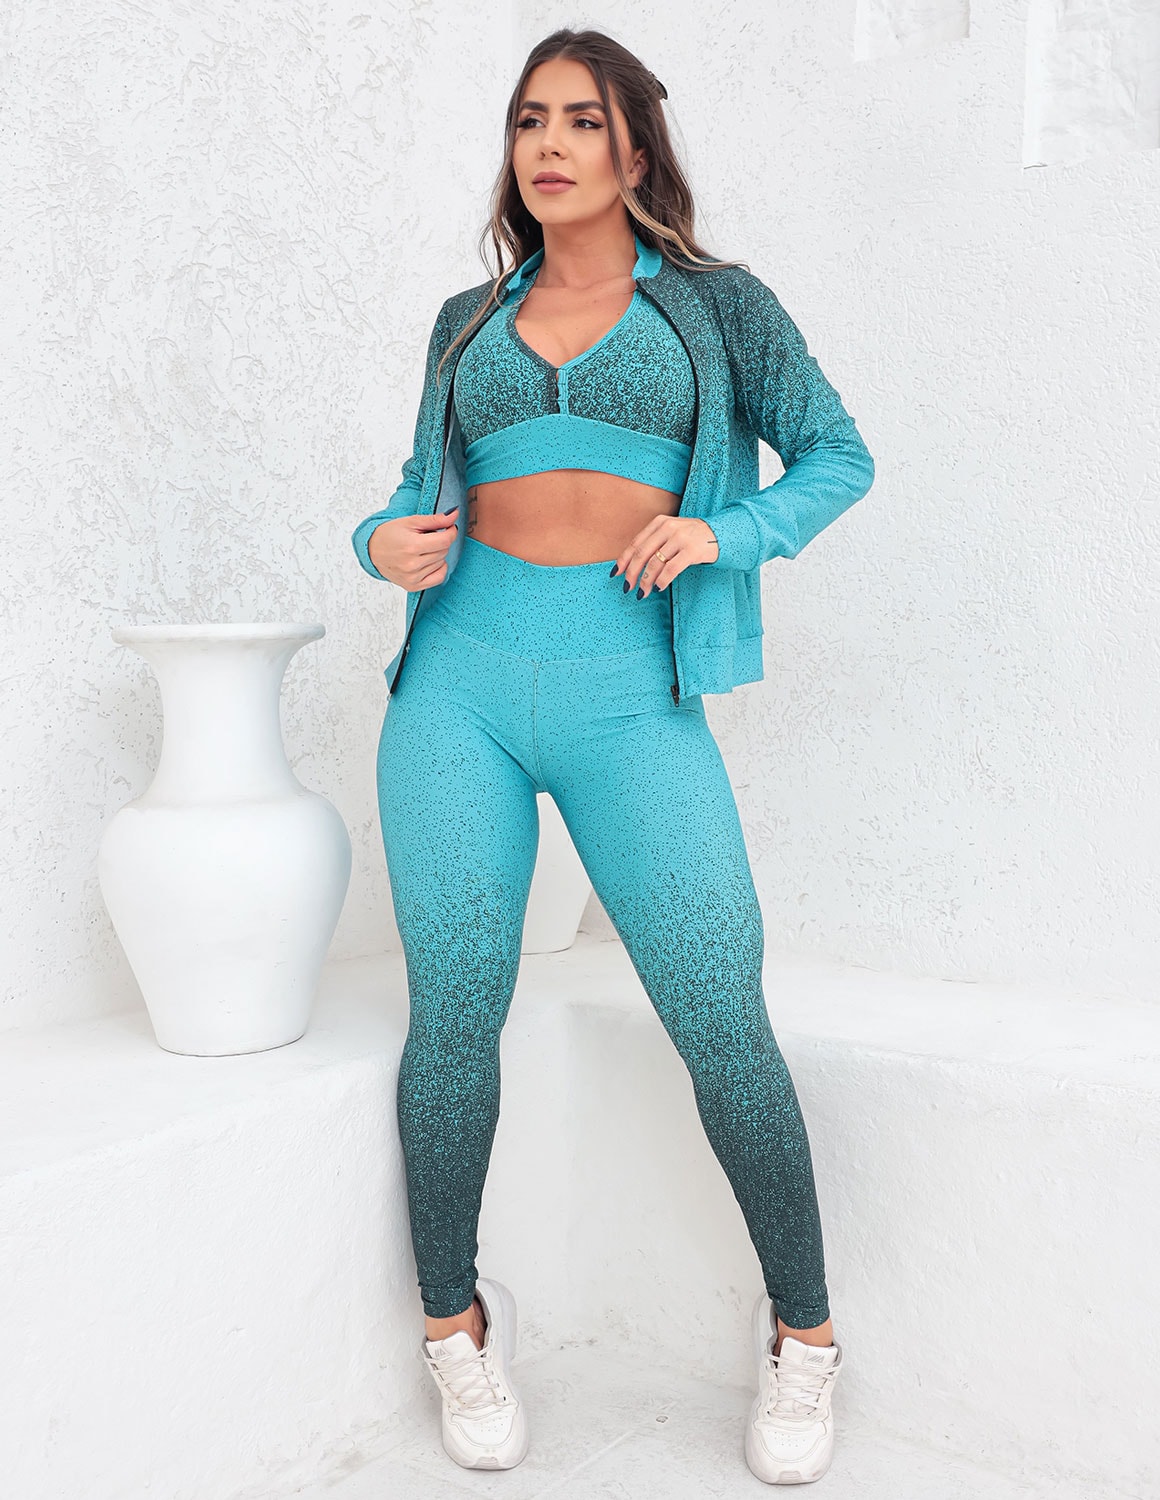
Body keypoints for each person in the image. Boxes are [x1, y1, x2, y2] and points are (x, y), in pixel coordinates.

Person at [350, 26, 875, 1487]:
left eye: (583, 119)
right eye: (530, 120)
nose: (552, 145)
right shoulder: (465, 320)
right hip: (456, 685)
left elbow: (838, 455)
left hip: (629, 690)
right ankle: (455, 1328)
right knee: (455, 1013)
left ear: (636, 144)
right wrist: (377, 541)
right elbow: (412, 496)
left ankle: (807, 1335)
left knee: (721, 1014)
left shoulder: (720, 307)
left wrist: (727, 530)